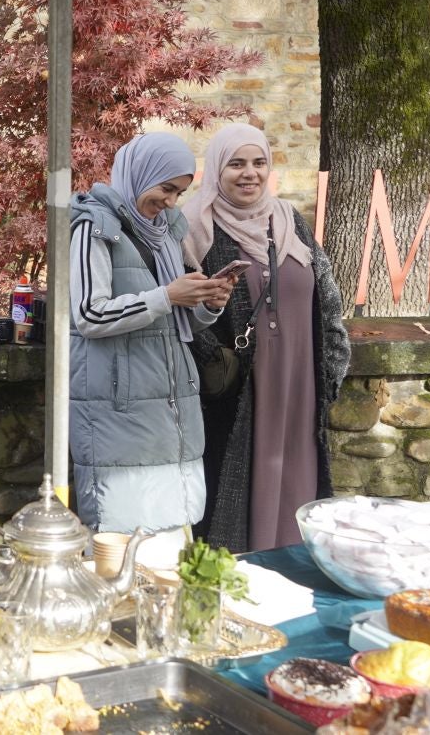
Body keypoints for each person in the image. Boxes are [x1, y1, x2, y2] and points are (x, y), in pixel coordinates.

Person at [181, 123, 350, 553]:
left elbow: (327, 300)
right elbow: (182, 317)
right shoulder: (196, 229)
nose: (249, 173)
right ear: (217, 170)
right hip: (239, 389)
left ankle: (293, 565)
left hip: (300, 380)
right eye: (236, 164)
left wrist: (330, 375)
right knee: (236, 479)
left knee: (298, 472)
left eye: (258, 162)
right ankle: (245, 566)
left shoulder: (289, 220)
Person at [68, 132, 234, 538]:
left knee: (171, 536)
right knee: (122, 536)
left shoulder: (165, 234)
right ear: (141, 175)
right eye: (166, 189)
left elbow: (174, 324)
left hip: (170, 403)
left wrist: (208, 303)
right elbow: (89, 314)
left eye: (180, 192)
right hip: (118, 408)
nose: (172, 202)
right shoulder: (94, 227)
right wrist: (167, 295)